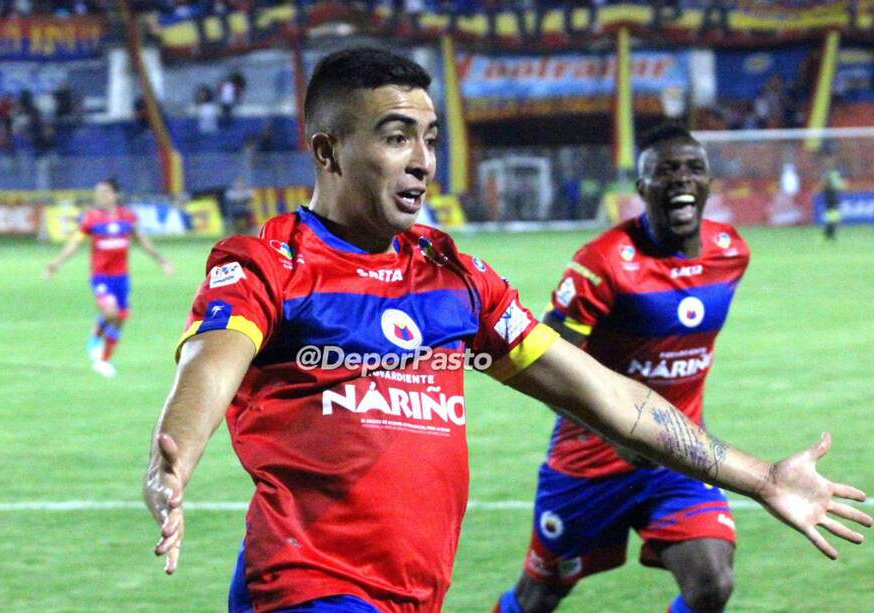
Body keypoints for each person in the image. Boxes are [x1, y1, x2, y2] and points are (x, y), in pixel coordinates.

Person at [143, 47, 870, 613]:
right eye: (396, 138)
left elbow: (607, 396)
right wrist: (172, 462)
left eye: (429, 139)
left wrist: (761, 477)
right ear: (328, 151)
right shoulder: (270, 262)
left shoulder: (454, 278)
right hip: (304, 586)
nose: (423, 162)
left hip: (416, 590)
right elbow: (212, 362)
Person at [493, 122, 757, 613]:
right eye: (666, 170)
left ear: (708, 182)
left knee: (711, 584)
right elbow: (546, 368)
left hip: (676, 456)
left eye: (693, 168)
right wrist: (613, 430)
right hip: (589, 463)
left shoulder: (731, 252)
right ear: (642, 187)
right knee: (538, 596)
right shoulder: (603, 263)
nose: (681, 178)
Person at [44, 178, 174, 377]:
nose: (100, 196)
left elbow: (142, 241)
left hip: (121, 277)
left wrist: (162, 260)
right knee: (110, 311)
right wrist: (57, 263)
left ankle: (104, 361)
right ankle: (95, 338)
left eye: (104, 192)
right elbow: (75, 243)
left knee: (120, 318)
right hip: (101, 276)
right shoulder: (91, 218)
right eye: (98, 193)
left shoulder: (128, 217)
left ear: (115, 194)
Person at [821, 155, 845, 241]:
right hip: (832, 196)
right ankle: (830, 233)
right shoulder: (834, 174)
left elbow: (825, 184)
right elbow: (841, 185)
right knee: (833, 215)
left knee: (832, 215)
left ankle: (829, 233)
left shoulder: (830, 174)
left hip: (831, 196)